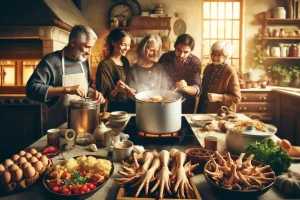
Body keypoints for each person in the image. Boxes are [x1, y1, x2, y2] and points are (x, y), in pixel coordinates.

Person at [26, 25, 105, 129]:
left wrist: (92, 93)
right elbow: (31, 89)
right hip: (57, 127)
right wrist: (67, 89)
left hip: (82, 124)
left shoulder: (83, 62)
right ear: (73, 42)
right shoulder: (51, 61)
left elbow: (87, 87)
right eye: (87, 47)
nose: (89, 52)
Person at [158, 34, 202, 113]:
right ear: (175, 45)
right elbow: (157, 79)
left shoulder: (195, 62)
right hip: (165, 101)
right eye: (179, 50)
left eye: (186, 52)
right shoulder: (165, 57)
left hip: (186, 105)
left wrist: (186, 87)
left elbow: (198, 89)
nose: (181, 55)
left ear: (191, 50)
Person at [96, 28, 135, 112]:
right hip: (114, 110)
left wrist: (130, 90)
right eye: (123, 44)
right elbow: (105, 97)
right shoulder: (104, 65)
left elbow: (128, 82)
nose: (127, 48)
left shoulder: (125, 61)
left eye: (128, 45)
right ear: (113, 43)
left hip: (129, 106)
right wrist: (116, 89)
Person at [197, 41, 241, 113]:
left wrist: (219, 97)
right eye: (213, 54)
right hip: (204, 112)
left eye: (219, 55)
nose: (214, 57)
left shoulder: (230, 71)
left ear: (226, 57)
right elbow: (203, 93)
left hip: (222, 114)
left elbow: (236, 98)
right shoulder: (208, 68)